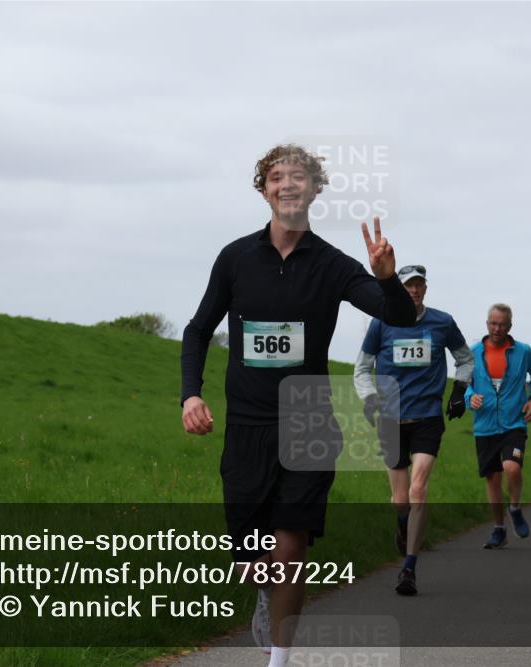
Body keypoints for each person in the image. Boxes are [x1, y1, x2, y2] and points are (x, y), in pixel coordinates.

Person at [180, 144, 416, 665]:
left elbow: (396, 315)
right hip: (246, 422)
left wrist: (385, 277)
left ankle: (279, 660)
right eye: (276, 178)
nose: (287, 185)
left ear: (314, 190)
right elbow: (198, 330)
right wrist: (191, 393)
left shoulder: (333, 265)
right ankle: (263, 595)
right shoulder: (236, 258)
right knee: (253, 562)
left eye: (299, 178)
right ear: (264, 189)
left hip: (308, 414)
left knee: (290, 549)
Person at [353, 264, 473, 595]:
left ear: (425, 289)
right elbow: (362, 368)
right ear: (399, 289)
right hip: (391, 419)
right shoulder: (381, 323)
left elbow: (465, 359)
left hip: (427, 417)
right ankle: (402, 524)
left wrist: (459, 391)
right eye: (408, 286)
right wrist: (369, 399)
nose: (414, 291)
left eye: (419, 285)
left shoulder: (442, 322)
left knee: (418, 490)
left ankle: (409, 569)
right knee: (399, 499)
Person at [464, 304, 531, 549]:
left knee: (511, 468)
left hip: (514, 422)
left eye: (502, 324)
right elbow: (463, 383)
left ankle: (515, 508)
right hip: (485, 424)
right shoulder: (474, 352)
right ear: (486, 323)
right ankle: (499, 529)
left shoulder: (523, 351)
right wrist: (470, 397)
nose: (497, 328)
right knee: (492, 479)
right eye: (493, 323)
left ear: (510, 326)